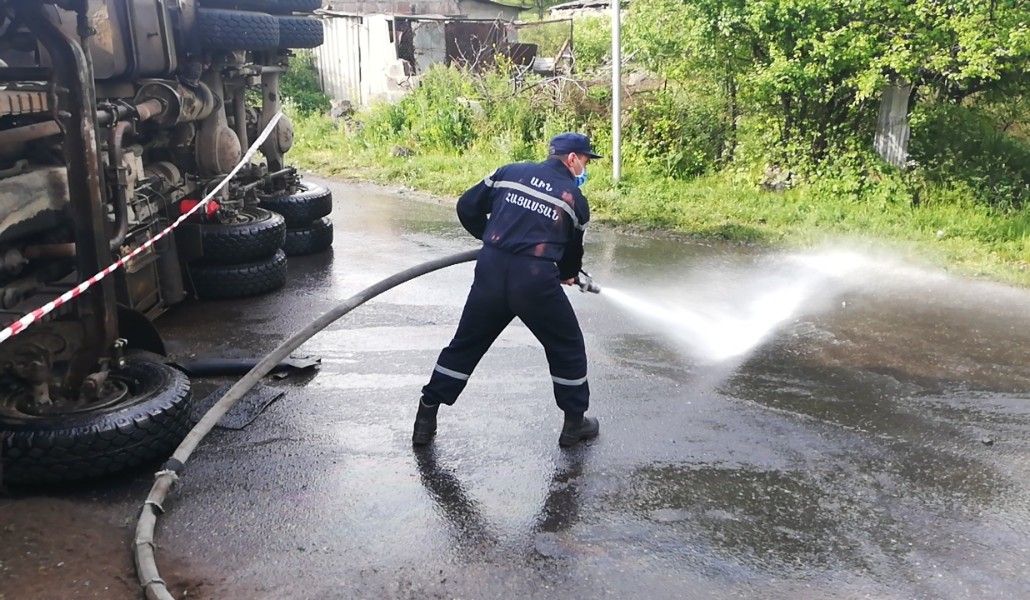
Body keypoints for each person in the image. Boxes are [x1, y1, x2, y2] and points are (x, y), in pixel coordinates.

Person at [413, 132, 601, 448]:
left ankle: (426, 414)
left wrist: (492, 238)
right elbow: (572, 253)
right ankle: (573, 424)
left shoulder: (509, 172)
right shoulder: (574, 200)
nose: (585, 167)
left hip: (491, 270)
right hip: (535, 282)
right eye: (585, 160)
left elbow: (467, 206)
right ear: (572, 159)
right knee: (566, 345)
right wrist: (568, 274)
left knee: (466, 344)